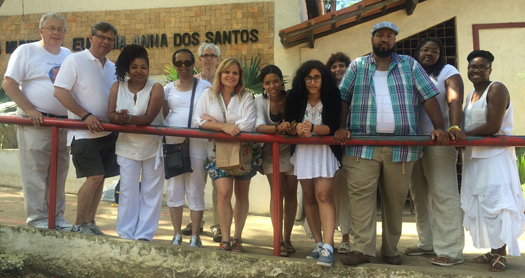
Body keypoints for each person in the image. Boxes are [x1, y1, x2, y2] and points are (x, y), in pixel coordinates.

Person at [336, 21, 449, 266]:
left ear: (395, 40)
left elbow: (429, 97)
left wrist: (440, 127)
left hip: (402, 146)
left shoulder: (410, 65)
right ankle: (362, 249)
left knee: (395, 200)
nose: (384, 39)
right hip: (361, 145)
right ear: (372, 39)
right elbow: (342, 98)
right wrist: (341, 126)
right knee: (360, 198)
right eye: (380, 35)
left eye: (389, 36)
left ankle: (389, 249)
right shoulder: (357, 66)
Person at [3, 13, 72, 230]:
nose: (56, 33)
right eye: (51, 28)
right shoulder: (26, 51)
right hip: (36, 122)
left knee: (59, 172)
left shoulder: (68, 54)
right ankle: (37, 218)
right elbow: (9, 84)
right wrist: (30, 110)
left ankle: (57, 216)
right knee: (35, 171)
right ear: (41, 31)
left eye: (60, 29)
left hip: (63, 124)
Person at [404, 38, 466, 266]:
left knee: (443, 192)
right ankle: (426, 242)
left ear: (441, 55)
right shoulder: (410, 72)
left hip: (439, 142)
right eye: (424, 50)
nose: (429, 54)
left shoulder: (448, 72)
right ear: (417, 53)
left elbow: (454, 99)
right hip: (414, 141)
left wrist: (454, 127)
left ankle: (451, 250)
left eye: (434, 51)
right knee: (418, 194)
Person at [461, 50, 525, 272]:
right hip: (475, 156)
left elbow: (493, 126)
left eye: (481, 67)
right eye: (472, 67)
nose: (476, 70)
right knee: (481, 204)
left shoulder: (496, 88)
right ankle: (492, 250)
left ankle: (501, 254)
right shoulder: (470, 95)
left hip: (494, 157)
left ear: (490, 70)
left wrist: (464, 137)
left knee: (497, 204)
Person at [54, 22, 120, 235]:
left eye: (110, 39)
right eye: (102, 37)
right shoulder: (74, 60)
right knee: (93, 179)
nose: (106, 42)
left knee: (100, 180)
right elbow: (60, 92)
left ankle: (89, 223)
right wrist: (85, 115)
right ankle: (79, 224)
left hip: (108, 133)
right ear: (90, 37)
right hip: (84, 133)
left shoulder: (113, 67)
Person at [194, 58, 259, 253]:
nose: (230, 76)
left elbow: (249, 123)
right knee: (223, 193)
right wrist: (223, 126)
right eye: (227, 72)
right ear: (220, 74)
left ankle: (238, 237)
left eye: (235, 73)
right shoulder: (208, 95)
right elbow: (197, 120)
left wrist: (214, 123)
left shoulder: (246, 96)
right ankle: (225, 238)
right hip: (216, 153)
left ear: (240, 77)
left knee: (241, 194)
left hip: (244, 153)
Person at [282, 60, 341, 266]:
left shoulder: (332, 95)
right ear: (303, 79)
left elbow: (333, 127)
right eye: (309, 77)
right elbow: (288, 124)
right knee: (308, 197)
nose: (313, 82)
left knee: (324, 195)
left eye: (317, 77)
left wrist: (312, 128)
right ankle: (318, 243)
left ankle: (328, 246)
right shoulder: (295, 96)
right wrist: (297, 127)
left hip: (325, 151)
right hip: (304, 152)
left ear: (323, 79)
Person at [107, 45, 164, 241]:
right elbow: (109, 114)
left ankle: (145, 235)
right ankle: (126, 233)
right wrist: (118, 117)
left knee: (151, 192)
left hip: (152, 148)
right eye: (134, 67)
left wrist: (128, 119)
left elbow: (148, 118)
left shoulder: (156, 88)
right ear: (127, 69)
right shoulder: (118, 86)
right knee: (128, 192)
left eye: (143, 67)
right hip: (126, 147)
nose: (139, 71)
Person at [164, 49, 211, 247]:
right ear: (174, 65)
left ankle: (195, 236)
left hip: (197, 145)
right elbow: (164, 114)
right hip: (173, 145)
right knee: (174, 189)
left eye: (187, 62)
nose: (183, 66)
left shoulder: (205, 87)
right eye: (179, 63)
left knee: (196, 189)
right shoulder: (167, 89)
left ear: (194, 64)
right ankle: (176, 234)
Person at [254, 65, 298, 257]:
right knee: (277, 192)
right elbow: (258, 125)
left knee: (291, 193)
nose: (272, 86)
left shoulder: (292, 97)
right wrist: (278, 129)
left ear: (281, 81)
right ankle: (277, 238)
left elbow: (297, 122)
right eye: (267, 82)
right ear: (263, 84)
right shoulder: (260, 100)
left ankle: (287, 238)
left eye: (275, 81)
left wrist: (286, 128)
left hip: (292, 151)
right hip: (271, 152)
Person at [180, 42, 222, 242]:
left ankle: (219, 225)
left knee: (219, 185)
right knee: (196, 184)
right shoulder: (193, 82)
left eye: (212, 55)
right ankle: (196, 221)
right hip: (196, 141)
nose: (209, 58)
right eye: (205, 55)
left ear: (218, 59)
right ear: (200, 59)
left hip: (217, 141)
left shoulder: (225, 83)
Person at [326, 52, 353, 254]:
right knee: (328, 194)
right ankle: (328, 239)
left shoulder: (356, 88)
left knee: (346, 194)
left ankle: (345, 238)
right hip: (328, 148)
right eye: (333, 66)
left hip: (349, 146)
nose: (338, 70)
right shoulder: (325, 91)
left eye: (341, 65)